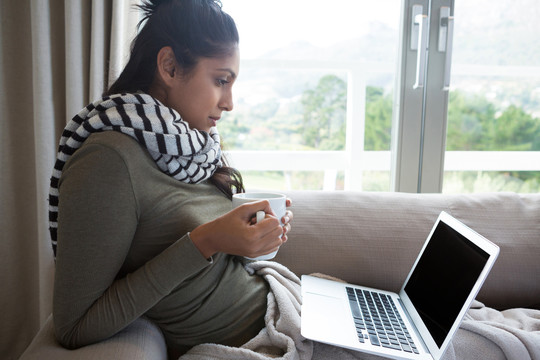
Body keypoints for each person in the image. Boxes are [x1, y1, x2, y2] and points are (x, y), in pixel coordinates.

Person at [49, 0, 293, 357]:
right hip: (256, 344)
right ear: (169, 67)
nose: (229, 103)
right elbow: (74, 326)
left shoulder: (191, 144)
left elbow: (218, 270)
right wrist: (204, 241)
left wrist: (257, 238)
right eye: (221, 81)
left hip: (279, 308)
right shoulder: (108, 160)